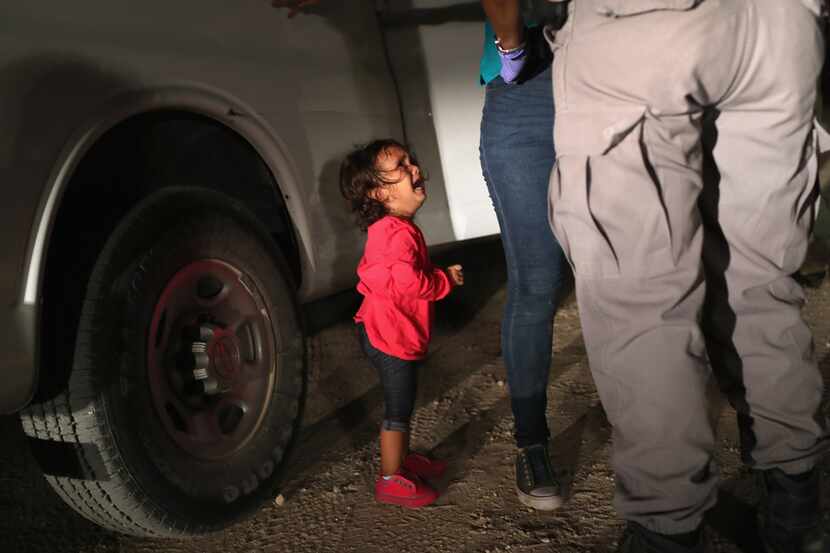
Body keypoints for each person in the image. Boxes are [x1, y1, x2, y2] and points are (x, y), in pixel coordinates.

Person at [541, 0, 829, 551]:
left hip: (642, 25)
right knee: (763, 281)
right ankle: (795, 511)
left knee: (642, 303)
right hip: (781, 25)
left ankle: (668, 526)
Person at [479, 0, 571, 511]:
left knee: (620, 274)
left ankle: (650, 439)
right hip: (527, 94)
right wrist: (512, 47)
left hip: (606, 77)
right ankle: (531, 443)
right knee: (536, 280)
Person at [339, 139, 464, 508]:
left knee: (403, 404)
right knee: (398, 408)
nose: (414, 168)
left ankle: (402, 460)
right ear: (380, 193)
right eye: (401, 166)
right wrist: (444, 280)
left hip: (380, 327)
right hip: (388, 336)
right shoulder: (398, 235)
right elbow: (411, 284)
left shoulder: (390, 228)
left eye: (411, 160)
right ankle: (390, 479)